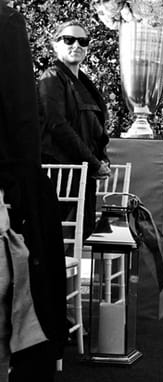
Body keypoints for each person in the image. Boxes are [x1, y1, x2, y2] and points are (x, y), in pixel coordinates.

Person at [0, 0, 66, 382]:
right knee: (26, 278)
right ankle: (23, 380)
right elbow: (22, 111)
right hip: (10, 175)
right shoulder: (7, 24)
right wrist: (21, 185)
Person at [38, 20, 110, 240]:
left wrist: (102, 160)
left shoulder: (86, 84)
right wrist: (94, 162)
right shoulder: (51, 78)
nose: (76, 45)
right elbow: (57, 125)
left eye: (83, 41)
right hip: (59, 176)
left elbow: (96, 130)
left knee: (78, 236)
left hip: (82, 174)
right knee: (57, 241)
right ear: (55, 44)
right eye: (68, 39)